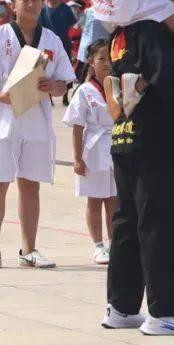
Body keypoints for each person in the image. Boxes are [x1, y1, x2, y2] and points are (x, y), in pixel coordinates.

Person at [102, 0, 174, 336]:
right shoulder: (152, 27)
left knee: (128, 220)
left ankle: (122, 306)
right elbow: (166, 79)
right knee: (161, 222)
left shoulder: (120, 32)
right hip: (153, 137)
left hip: (124, 136)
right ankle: (163, 313)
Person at [0, 0, 76, 271]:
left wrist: (53, 86)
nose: (30, 4)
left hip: (36, 116)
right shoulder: (0, 36)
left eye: (35, 0)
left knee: (30, 184)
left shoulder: (51, 39)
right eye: (24, 0)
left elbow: (64, 81)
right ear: (13, 5)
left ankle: (30, 249)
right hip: (2, 116)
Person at [63, 40, 117, 266]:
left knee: (115, 199)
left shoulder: (120, 85)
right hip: (93, 148)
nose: (106, 63)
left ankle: (116, 242)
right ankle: (98, 245)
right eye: (101, 58)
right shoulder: (85, 91)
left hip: (116, 145)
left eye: (109, 57)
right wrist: (77, 159)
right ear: (92, 62)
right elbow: (77, 127)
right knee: (95, 199)